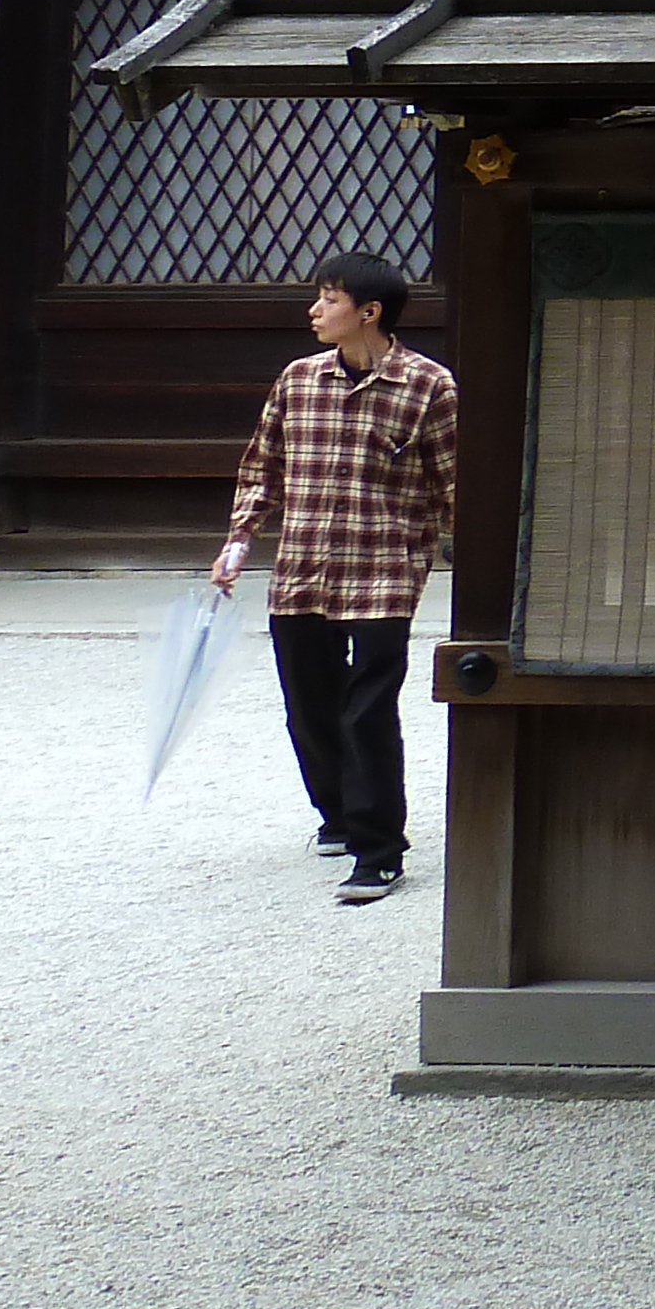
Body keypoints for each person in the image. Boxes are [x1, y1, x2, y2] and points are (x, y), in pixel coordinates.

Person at [213, 252, 458, 905]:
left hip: (383, 570)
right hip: (301, 570)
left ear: (368, 313)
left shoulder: (429, 387)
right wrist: (239, 543)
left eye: (328, 299)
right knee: (308, 708)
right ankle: (339, 817)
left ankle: (379, 853)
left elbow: (454, 481)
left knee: (368, 710)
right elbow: (260, 468)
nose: (315, 311)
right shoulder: (298, 381)